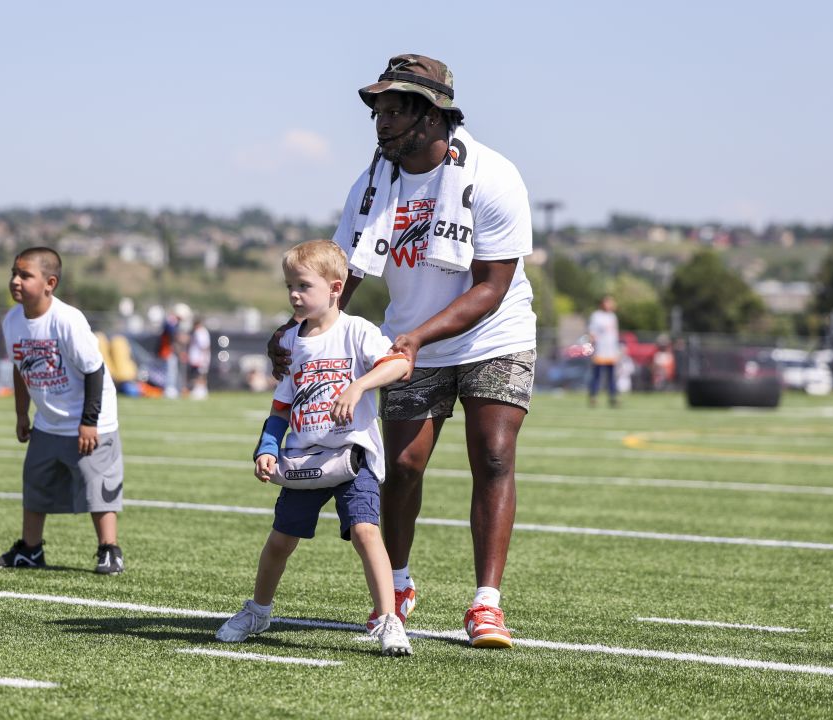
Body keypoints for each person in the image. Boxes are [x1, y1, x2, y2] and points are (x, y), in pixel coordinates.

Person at [268, 54, 535, 648]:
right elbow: (339, 275)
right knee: (404, 465)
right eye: (378, 112)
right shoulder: (370, 186)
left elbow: (492, 286)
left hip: (495, 334)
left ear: (432, 114)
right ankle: (400, 584)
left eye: (394, 111)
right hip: (409, 338)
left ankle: (485, 603)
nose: (382, 124)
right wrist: (295, 328)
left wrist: (415, 338)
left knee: (492, 456)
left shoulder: (493, 175)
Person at [218, 240, 413, 656]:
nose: (294, 294)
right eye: (289, 285)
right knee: (279, 542)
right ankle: (258, 610)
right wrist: (267, 447)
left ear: (335, 288)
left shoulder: (356, 330)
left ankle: (387, 620)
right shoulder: (291, 342)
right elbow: (281, 406)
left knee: (365, 531)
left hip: (352, 455)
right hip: (306, 458)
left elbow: (400, 364)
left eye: (303, 285)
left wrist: (358, 386)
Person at [0, 247, 127, 575]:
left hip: (91, 420)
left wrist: (89, 422)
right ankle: (31, 550)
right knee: (35, 483)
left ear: (50, 283)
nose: (15, 281)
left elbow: (95, 370)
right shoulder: (12, 320)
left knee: (98, 485)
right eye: (13, 273)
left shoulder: (67, 319)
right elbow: (20, 370)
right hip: (49, 420)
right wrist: (22, 414)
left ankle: (109, 549)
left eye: (25, 275)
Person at [587, 295, 619, 407]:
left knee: (611, 376)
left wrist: (617, 351)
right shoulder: (596, 316)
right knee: (597, 376)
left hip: (611, 351)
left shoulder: (613, 316)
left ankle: (613, 397)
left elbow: (614, 335)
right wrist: (591, 348)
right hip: (600, 350)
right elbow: (592, 333)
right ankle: (593, 397)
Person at [186, 319, 211, 399]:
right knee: (197, 374)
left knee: (199, 374)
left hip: (199, 357)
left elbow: (204, 346)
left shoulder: (200, 332)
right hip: (197, 357)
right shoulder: (199, 332)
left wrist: (203, 358)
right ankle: (199, 390)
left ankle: (200, 391)